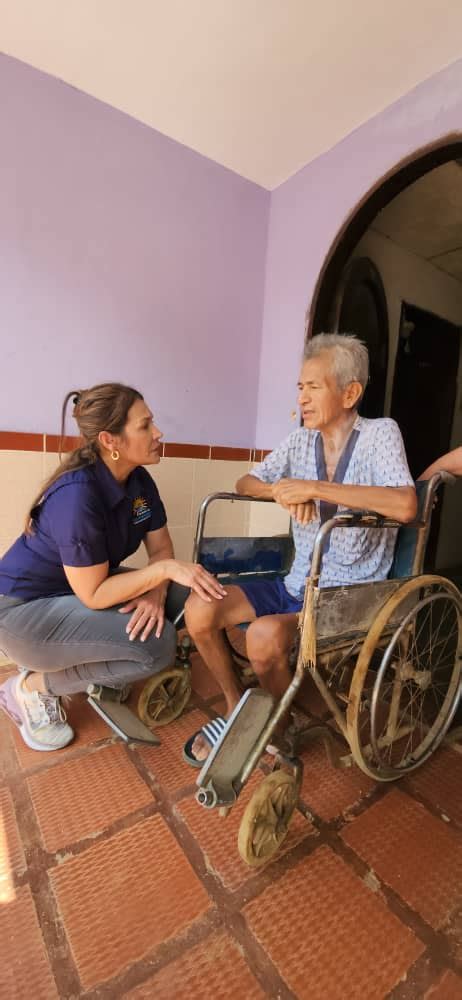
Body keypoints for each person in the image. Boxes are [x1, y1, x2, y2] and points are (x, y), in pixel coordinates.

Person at [183, 333, 417, 766]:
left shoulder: (380, 434)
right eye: (299, 387)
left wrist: (314, 487)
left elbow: (405, 504)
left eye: (314, 386)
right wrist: (281, 492)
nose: (302, 398)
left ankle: (279, 726)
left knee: (263, 636)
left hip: (347, 597)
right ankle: (237, 706)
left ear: (350, 393)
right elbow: (245, 483)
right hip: (297, 583)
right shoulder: (298, 442)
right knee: (198, 609)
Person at [0, 383, 226, 752]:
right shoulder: (78, 496)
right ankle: (29, 689)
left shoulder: (138, 483)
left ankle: (100, 660)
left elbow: (161, 547)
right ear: (110, 440)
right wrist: (162, 573)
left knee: (185, 594)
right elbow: (94, 594)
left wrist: (155, 593)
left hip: (74, 593)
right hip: (22, 614)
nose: (158, 433)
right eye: (145, 425)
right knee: (157, 645)